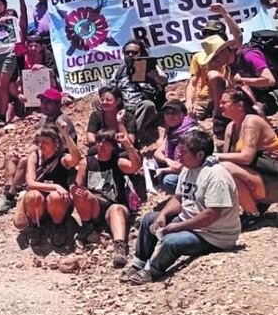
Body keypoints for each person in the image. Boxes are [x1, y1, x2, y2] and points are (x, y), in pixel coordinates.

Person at [122, 128, 240, 285]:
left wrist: (176, 227)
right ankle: (138, 264)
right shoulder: (188, 169)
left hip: (214, 234)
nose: (178, 156)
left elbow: (211, 215)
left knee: (171, 240)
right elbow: (178, 199)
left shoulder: (216, 176)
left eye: (183, 153)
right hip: (191, 222)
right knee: (150, 219)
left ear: (199, 155)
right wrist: (163, 215)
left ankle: (152, 271)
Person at [0, 88, 77, 215]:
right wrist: (25, 151)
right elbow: (36, 142)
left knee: (24, 161)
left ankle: (10, 196)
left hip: (56, 159)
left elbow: (63, 146)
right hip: (42, 152)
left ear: (58, 105)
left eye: (48, 102)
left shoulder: (63, 120)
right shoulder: (43, 119)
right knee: (11, 157)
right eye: (42, 101)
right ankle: (9, 191)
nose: (43, 105)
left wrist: (34, 152)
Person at [70, 130, 142, 265]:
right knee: (82, 194)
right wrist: (74, 189)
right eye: (99, 141)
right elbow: (78, 186)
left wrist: (127, 145)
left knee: (116, 209)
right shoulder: (86, 162)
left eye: (106, 142)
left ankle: (119, 246)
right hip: (93, 206)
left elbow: (135, 166)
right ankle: (88, 227)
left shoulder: (118, 162)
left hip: (114, 205)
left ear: (113, 147)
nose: (101, 145)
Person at [215, 89, 278, 225]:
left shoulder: (252, 122)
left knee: (226, 168)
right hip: (259, 173)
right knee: (220, 169)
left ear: (240, 105)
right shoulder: (230, 127)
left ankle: (253, 213)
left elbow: (247, 157)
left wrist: (215, 156)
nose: (220, 106)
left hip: (272, 172)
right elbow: (228, 156)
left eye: (224, 102)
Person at [17, 122, 82, 247]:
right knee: (33, 195)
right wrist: (56, 187)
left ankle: (58, 226)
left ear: (56, 144)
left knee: (55, 197)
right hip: (38, 203)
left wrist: (65, 134)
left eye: (45, 142)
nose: (41, 145)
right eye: (39, 142)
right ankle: (36, 226)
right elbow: (30, 183)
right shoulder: (34, 157)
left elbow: (76, 158)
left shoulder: (62, 158)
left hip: (59, 204)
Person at [109, 40, 166, 146]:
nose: (130, 55)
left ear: (141, 53)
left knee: (147, 105)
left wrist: (156, 77)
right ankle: (109, 134)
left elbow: (164, 81)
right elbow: (111, 87)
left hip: (140, 104)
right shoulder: (120, 70)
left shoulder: (151, 67)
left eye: (134, 52)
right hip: (122, 104)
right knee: (99, 102)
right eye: (127, 52)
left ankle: (132, 137)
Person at [186, 35, 235, 123]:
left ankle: (218, 114)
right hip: (203, 98)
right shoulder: (198, 57)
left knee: (213, 76)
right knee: (188, 117)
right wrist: (189, 102)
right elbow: (192, 83)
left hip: (224, 94)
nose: (215, 60)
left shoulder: (229, 60)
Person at [151, 100, 197, 194]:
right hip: (175, 166)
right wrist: (167, 160)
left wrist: (163, 170)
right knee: (150, 162)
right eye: (167, 113)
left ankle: (181, 200)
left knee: (169, 180)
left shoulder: (190, 133)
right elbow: (157, 152)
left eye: (174, 113)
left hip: (190, 171)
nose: (170, 116)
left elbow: (184, 165)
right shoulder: (173, 131)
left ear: (183, 114)